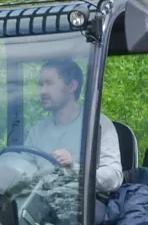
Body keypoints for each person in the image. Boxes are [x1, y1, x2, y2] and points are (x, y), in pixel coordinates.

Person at [23, 58, 122, 196]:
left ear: (72, 86)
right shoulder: (37, 131)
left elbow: (114, 177)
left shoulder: (97, 125)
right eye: (41, 84)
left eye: (49, 84)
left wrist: (75, 169)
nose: (42, 91)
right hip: (38, 206)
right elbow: (22, 172)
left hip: (82, 207)